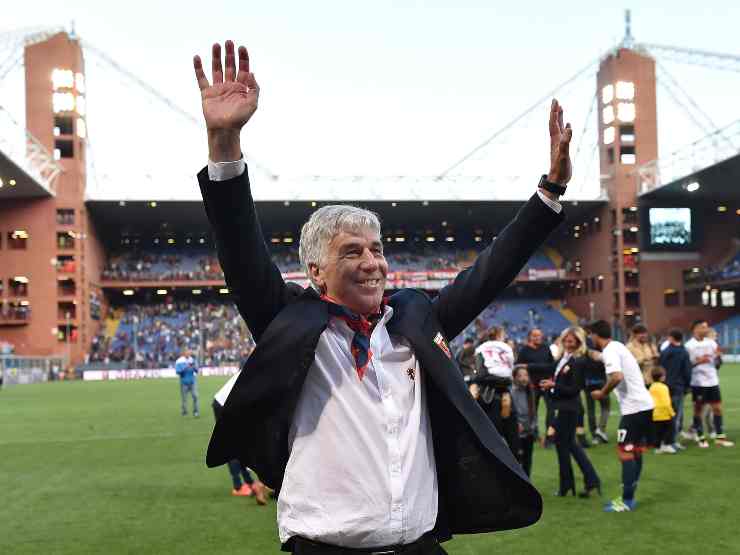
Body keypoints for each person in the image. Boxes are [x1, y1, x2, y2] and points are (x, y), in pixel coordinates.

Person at [193, 40, 571, 553]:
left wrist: (549, 191)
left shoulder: (414, 320)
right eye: (352, 252)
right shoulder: (291, 321)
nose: (372, 263)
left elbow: (488, 274)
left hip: (420, 545)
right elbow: (239, 249)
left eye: (376, 249)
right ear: (315, 271)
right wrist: (225, 145)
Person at [588, 320, 654, 513]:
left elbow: (616, 376)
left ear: (594, 335)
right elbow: (609, 359)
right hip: (645, 406)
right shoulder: (616, 346)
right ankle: (630, 496)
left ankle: (626, 500)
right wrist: (594, 355)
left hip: (633, 409)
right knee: (635, 450)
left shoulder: (610, 351)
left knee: (624, 452)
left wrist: (602, 393)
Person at [540, 327, 600, 498]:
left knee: (564, 446)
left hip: (568, 408)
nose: (567, 344)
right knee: (569, 446)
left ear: (578, 343)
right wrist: (551, 385)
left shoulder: (578, 361)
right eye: (565, 340)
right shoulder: (563, 359)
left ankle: (571, 485)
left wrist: (553, 386)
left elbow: (574, 388)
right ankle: (586, 481)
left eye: (571, 341)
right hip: (563, 406)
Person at [212, 372, 268, 504]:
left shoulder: (261, 370)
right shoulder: (261, 376)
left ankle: (249, 483)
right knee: (232, 446)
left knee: (239, 445)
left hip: (229, 404)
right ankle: (238, 487)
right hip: (224, 405)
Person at [684, 320, 734, 448]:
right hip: (698, 382)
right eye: (703, 327)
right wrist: (698, 362)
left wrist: (718, 357)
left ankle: (720, 437)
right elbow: (686, 366)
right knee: (698, 410)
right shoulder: (689, 346)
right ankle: (700, 438)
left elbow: (717, 363)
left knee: (717, 408)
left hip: (713, 380)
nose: (706, 329)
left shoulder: (711, 343)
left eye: (706, 327)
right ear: (695, 329)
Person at [474, 327, 520, 454]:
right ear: (501, 335)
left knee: (491, 435)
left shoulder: (480, 349)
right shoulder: (506, 348)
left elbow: (480, 374)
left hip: (487, 395)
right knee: (511, 436)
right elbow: (510, 370)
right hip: (504, 393)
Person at [515, 328, 555, 445]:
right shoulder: (524, 350)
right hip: (531, 385)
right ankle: (533, 434)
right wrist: (540, 367)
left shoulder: (546, 348)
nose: (538, 338)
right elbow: (519, 367)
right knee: (532, 411)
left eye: (539, 336)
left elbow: (551, 366)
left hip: (546, 383)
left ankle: (550, 435)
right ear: (529, 337)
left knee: (551, 410)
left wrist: (530, 366)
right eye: (535, 336)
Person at [658, 329, 692, 450]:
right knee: (676, 416)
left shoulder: (665, 352)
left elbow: (659, 368)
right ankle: (670, 442)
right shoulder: (683, 352)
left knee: (666, 415)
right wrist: (688, 386)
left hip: (665, 387)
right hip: (678, 387)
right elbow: (687, 371)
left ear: (671, 338)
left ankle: (666, 441)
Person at [582, 343, 610, 444]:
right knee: (605, 406)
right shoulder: (602, 351)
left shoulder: (584, 352)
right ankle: (600, 431)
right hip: (601, 383)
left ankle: (594, 435)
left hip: (588, 384)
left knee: (591, 409)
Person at [511, 367, 536, 477]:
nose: (524, 378)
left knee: (528, 460)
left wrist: (533, 426)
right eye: (520, 376)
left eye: (526, 375)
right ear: (515, 377)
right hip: (517, 432)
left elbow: (534, 411)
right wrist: (516, 424)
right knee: (516, 459)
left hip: (529, 431)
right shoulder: (511, 392)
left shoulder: (530, 392)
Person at [648, 367, 677, 454]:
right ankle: (667, 445)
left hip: (655, 414)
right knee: (670, 429)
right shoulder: (664, 387)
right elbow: (666, 402)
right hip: (664, 413)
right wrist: (671, 412)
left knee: (658, 431)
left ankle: (658, 447)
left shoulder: (651, 387)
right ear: (661, 377)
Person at [175, 349, 199, 417]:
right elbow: (178, 372)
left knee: (195, 396)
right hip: (184, 382)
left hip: (192, 381)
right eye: (187, 352)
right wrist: (186, 367)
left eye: (189, 352)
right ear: (184, 353)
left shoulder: (192, 360)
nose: (189, 353)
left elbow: (197, 371)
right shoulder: (179, 361)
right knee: (184, 399)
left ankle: (196, 411)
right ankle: (184, 412)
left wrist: (194, 367)